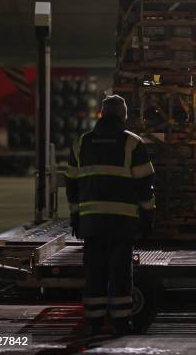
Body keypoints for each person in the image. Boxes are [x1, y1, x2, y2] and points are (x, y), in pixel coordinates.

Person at [65, 95, 155, 335]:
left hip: (91, 222)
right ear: (124, 116)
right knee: (120, 274)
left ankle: (94, 322)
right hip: (122, 222)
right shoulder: (133, 144)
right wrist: (147, 214)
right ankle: (121, 322)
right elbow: (145, 183)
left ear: (102, 115)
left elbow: (71, 184)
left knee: (94, 272)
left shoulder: (81, 143)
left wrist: (75, 216)